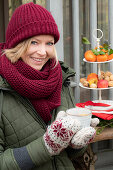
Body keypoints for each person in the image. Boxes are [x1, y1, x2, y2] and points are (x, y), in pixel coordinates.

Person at [0, 2, 99, 170]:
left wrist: (76, 145)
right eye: (34, 42)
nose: (43, 52)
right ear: (17, 44)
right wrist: (46, 146)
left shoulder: (60, 77)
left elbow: (69, 154)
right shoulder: (3, 87)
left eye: (49, 43)